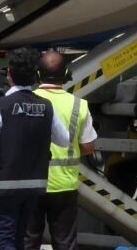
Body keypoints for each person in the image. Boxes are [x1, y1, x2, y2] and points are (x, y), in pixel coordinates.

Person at [0, 48, 70, 250]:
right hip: (35, 185)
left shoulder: (1, 106)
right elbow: (64, 140)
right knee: (20, 240)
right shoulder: (46, 106)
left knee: (4, 240)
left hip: (6, 185)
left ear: (9, 73)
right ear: (36, 76)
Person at [25, 51, 97, 250]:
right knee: (65, 242)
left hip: (30, 183)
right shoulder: (79, 105)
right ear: (65, 74)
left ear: (37, 74)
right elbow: (88, 147)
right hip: (64, 185)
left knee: (28, 241)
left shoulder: (26, 101)